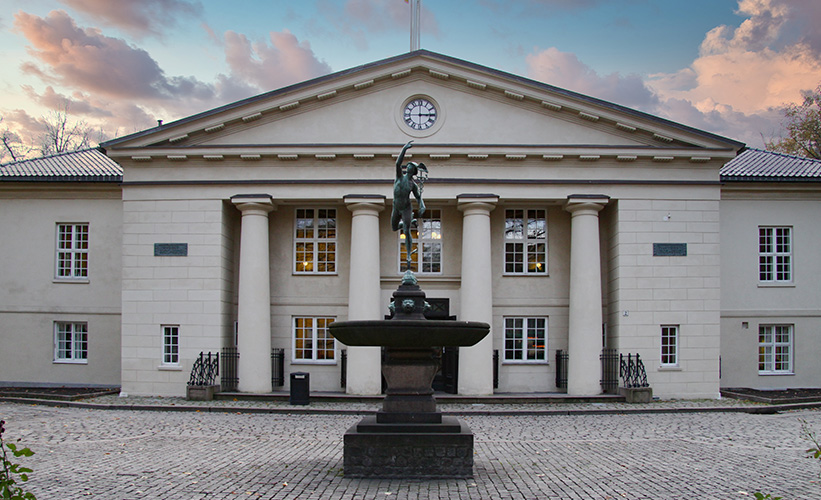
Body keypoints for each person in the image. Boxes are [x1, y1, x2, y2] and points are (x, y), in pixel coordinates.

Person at [391, 140, 427, 271]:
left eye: (411, 166)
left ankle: (408, 255)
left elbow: (418, 197)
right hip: (396, 206)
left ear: (414, 170)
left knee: (406, 231)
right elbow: (397, 163)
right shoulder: (400, 177)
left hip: (406, 207)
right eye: (409, 165)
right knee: (394, 227)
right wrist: (404, 149)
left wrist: (422, 205)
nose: (409, 166)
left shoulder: (413, 184)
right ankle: (408, 222)